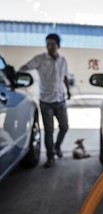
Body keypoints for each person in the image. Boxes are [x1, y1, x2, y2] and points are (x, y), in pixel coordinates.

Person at [19, 33, 71, 168]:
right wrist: (18, 74)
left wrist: (68, 90)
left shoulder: (62, 60)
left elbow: (65, 76)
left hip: (60, 100)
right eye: (47, 43)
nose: (49, 46)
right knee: (48, 132)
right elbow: (26, 66)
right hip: (46, 102)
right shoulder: (40, 59)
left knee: (64, 127)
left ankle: (57, 146)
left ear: (58, 45)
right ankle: (50, 157)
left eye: (52, 44)